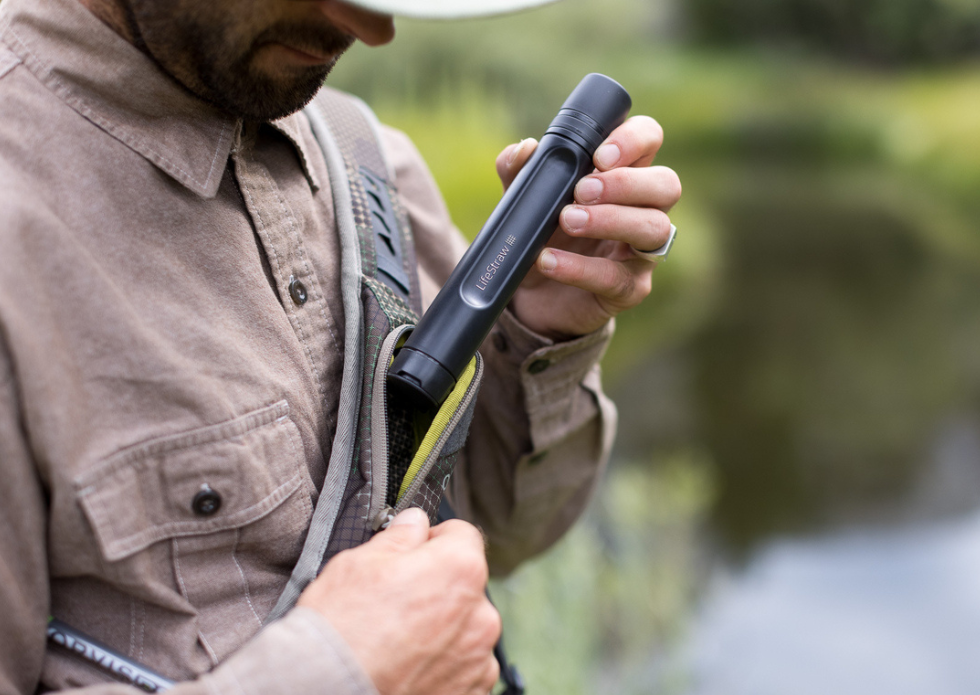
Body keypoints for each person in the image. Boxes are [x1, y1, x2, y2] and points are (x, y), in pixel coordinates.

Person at [0, 0, 682, 693]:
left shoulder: (368, 159)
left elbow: (500, 533)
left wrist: (546, 324)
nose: (374, 28)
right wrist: (342, 672)